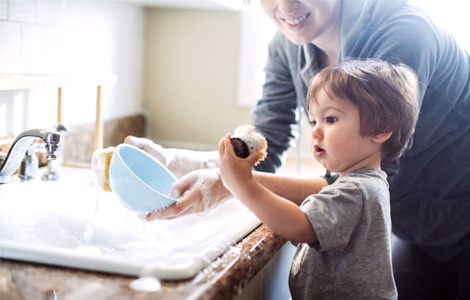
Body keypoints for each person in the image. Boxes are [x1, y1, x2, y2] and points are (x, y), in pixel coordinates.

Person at [125, 0, 470, 298]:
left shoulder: (404, 32)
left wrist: (233, 184)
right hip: (419, 233)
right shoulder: (288, 43)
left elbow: (363, 179)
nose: (287, 7)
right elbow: (264, 145)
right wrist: (176, 161)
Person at [219, 59, 419, 299]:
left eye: (330, 119)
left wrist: (241, 183)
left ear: (381, 128)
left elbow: (300, 227)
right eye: (314, 121)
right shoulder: (366, 184)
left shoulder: (356, 190)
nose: (315, 131)